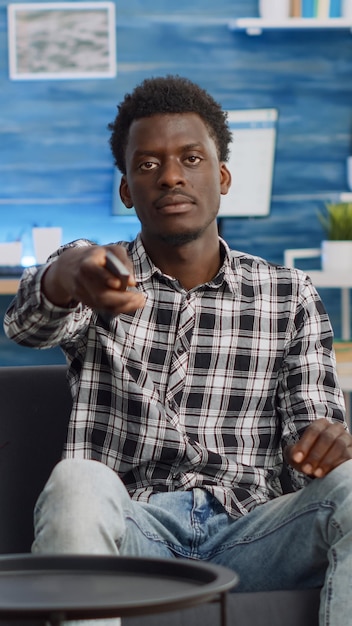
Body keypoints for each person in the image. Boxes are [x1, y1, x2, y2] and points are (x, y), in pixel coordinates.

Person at [4, 75, 352, 626]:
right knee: (77, 478)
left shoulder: (290, 293)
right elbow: (27, 326)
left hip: (256, 537)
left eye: (191, 158)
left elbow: (314, 437)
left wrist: (328, 441)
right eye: (147, 165)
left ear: (223, 176)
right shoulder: (98, 271)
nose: (170, 176)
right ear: (126, 191)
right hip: (134, 536)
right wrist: (71, 274)